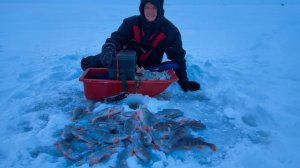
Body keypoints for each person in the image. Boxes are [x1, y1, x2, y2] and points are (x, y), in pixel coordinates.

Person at [81, 0, 200, 92]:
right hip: (126, 62)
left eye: (154, 7)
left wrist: (184, 81)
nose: (150, 11)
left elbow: (177, 57)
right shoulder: (131, 23)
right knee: (97, 62)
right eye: (147, 7)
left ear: (160, 9)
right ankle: (87, 62)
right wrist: (108, 48)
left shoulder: (170, 31)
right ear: (142, 8)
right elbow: (116, 38)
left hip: (149, 68)